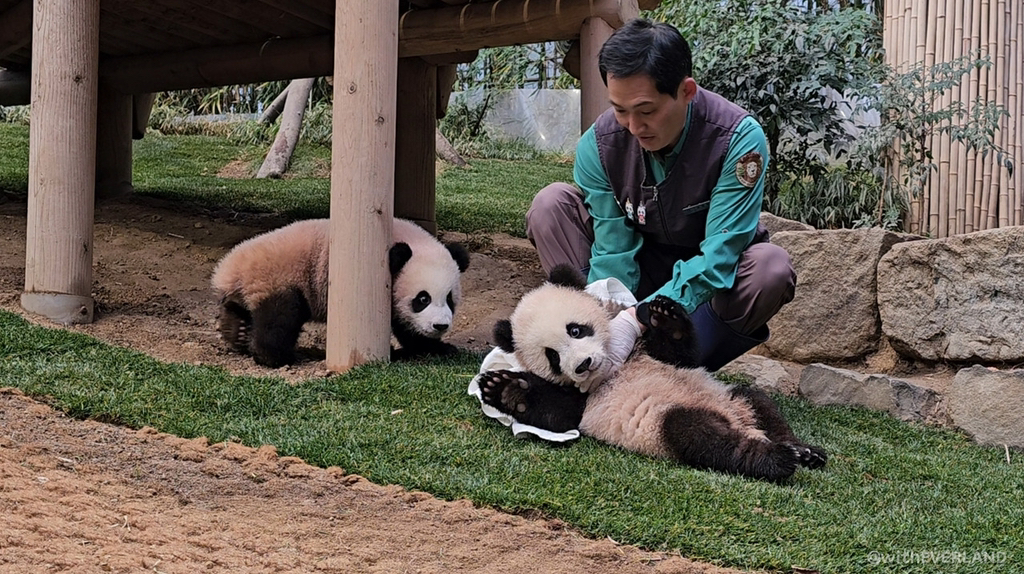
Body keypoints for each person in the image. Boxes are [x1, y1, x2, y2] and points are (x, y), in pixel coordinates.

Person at [525, 18, 796, 376]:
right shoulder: (598, 145)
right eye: (620, 110)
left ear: (686, 91)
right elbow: (613, 250)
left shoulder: (738, 141)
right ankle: (585, 348)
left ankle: (679, 364)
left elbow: (718, 258)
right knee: (550, 205)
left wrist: (640, 318)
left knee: (770, 269)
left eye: (647, 111)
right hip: (639, 271)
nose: (633, 127)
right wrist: (610, 317)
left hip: (703, 294)